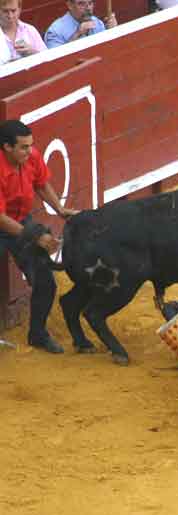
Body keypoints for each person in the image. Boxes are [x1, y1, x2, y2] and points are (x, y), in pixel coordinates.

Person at [0, 120, 79, 353]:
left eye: (30, 145)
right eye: (23, 147)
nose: (30, 150)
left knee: (45, 282)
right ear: (6, 147)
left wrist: (60, 209)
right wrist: (34, 236)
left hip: (20, 221)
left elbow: (42, 184)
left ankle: (37, 334)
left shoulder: (31, 156)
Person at [44, 0, 116, 48]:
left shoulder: (97, 22)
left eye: (90, 3)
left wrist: (112, 31)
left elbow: (107, 49)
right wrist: (77, 34)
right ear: (70, 5)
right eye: (81, 4)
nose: (88, 8)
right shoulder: (55, 31)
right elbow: (55, 63)